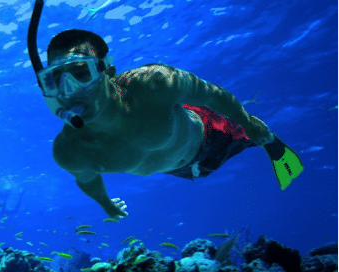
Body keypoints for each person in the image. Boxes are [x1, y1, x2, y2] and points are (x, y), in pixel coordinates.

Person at [26, 0, 303, 219]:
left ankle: (272, 144)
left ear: (107, 69)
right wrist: (107, 205)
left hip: (212, 133)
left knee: (255, 135)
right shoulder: (69, 151)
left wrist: (247, 122)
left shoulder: (154, 84)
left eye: (80, 72)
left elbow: (210, 94)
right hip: (181, 171)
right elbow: (87, 179)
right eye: (53, 79)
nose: (68, 90)